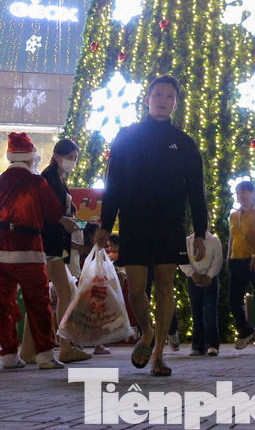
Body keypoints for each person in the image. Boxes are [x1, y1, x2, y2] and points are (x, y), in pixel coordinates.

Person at [95, 75, 208, 378]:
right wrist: (106, 224)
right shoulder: (127, 136)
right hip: (134, 221)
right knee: (135, 288)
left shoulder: (184, 143)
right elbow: (114, 182)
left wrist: (200, 231)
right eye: (157, 94)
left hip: (170, 223)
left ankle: (158, 354)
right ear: (147, 99)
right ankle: (146, 331)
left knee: (165, 284)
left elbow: (197, 190)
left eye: (169, 96)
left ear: (175, 103)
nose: (162, 100)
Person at [0, 131, 70, 370]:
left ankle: (9, 355)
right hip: (28, 250)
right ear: (31, 158)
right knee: (39, 303)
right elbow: (53, 212)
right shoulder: (36, 182)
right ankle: (44, 356)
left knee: (3, 304)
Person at [19, 138, 92, 365]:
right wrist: (63, 221)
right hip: (49, 244)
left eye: (75, 158)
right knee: (63, 294)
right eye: (70, 157)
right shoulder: (49, 179)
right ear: (57, 156)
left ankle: (30, 350)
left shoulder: (56, 178)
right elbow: (44, 212)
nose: (72, 162)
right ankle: (64, 347)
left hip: (54, 244)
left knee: (49, 296)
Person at [228, 180, 255, 354]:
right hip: (237, 259)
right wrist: (228, 255)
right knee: (234, 300)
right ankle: (246, 330)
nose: (242, 196)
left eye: (245, 192)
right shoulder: (233, 215)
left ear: (253, 193)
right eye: (239, 193)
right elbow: (232, 237)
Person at [180, 229, 222, 356]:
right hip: (194, 280)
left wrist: (209, 276)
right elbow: (183, 259)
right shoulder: (187, 241)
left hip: (210, 280)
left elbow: (217, 260)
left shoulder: (214, 241)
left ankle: (212, 345)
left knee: (210, 313)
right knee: (196, 314)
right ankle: (197, 345)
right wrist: (192, 274)